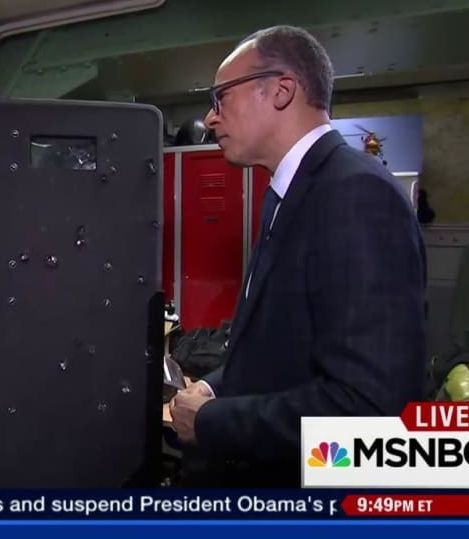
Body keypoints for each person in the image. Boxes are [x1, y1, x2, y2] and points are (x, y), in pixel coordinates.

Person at [169, 25, 427, 487]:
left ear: (281, 91)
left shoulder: (355, 196)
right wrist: (212, 386)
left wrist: (212, 422)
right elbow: (282, 349)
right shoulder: (293, 194)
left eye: (221, 97)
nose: (210, 118)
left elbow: (369, 410)